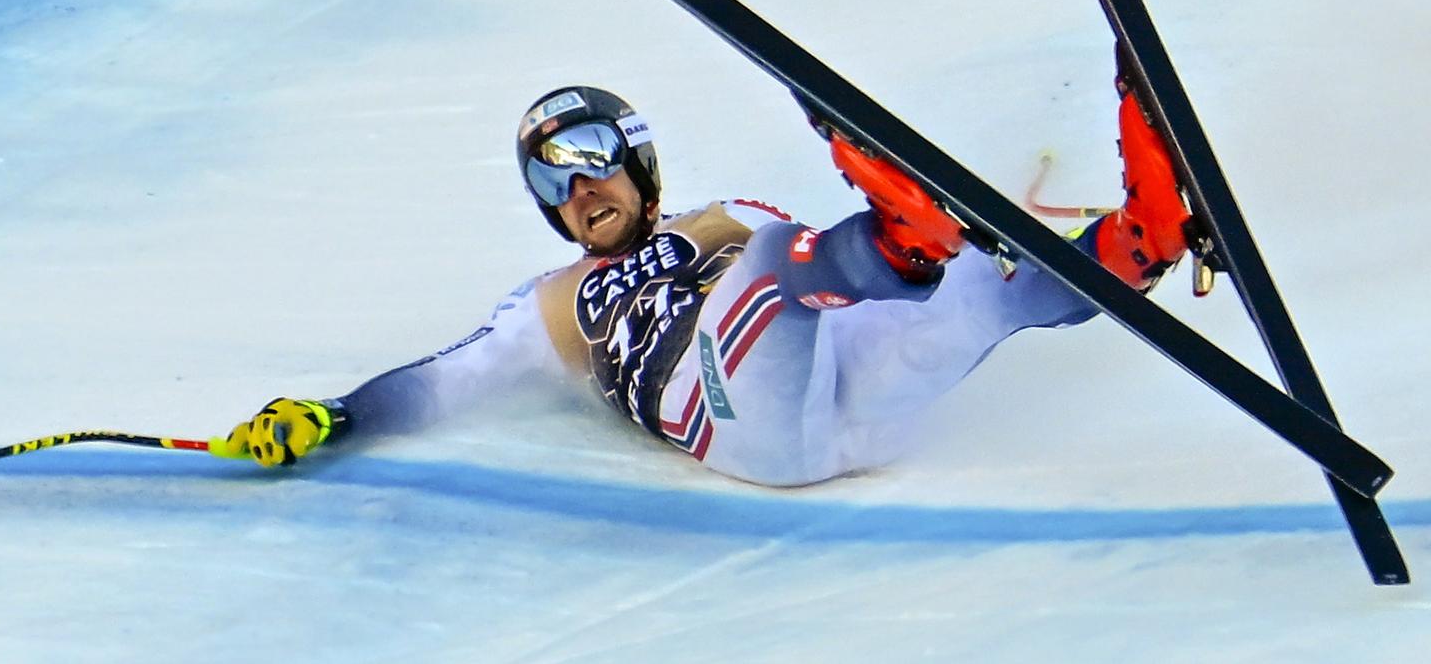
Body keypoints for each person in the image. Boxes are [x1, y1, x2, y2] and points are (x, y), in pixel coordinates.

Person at [212, 82, 1192, 486]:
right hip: (737, 420)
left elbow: (853, 296)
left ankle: (1139, 238)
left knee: (981, 290)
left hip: (852, 407)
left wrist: (974, 250)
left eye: (590, 157)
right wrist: (333, 415)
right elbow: (436, 382)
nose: (577, 188)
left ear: (637, 163)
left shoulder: (731, 215)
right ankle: (909, 230)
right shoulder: (546, 309)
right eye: (551, 180)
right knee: (779, 270)